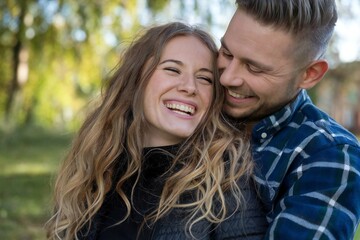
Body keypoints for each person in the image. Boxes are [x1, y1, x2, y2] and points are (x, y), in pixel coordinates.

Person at [45, 22, 268, 240]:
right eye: (172, 69)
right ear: (135, 80)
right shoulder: (94, 168)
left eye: (204, 78)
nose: (189, 87)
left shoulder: (228, 178)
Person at [218, 0, 360, 239]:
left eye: (254, 68)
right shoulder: (191, 109)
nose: (227, 78)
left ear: (309, 74)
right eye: (226, 52)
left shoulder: (331, 155)